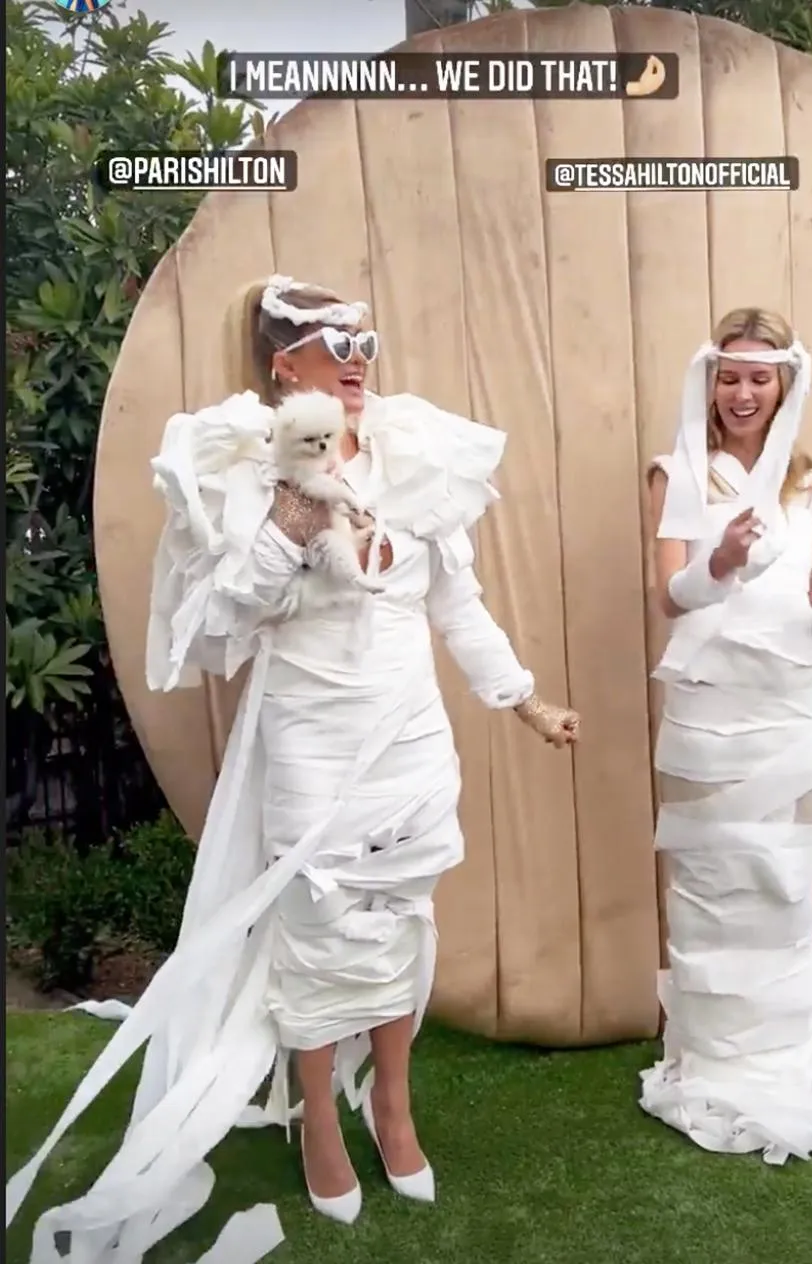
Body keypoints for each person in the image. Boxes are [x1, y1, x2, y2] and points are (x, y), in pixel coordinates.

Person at [7, 276, 579, 1263]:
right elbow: (220, 629)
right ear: (285, 365)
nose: (357, 363)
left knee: (401, 914)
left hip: (408, 733)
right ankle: (318, 1114)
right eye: (336, 346)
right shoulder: (239, 466)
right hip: (310, 735)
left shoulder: (414, 452)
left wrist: (523, 698)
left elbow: (457, 604)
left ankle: (393, 1105)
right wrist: (286, 529)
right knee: (317, 928)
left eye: (366, 343)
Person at [641, 306, 812, 1163]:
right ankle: (717, 1058)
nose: (743, 393)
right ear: (709, 382)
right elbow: (671, 599)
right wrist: (723, 561)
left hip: (789, 709)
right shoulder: (678, 472)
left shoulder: (811, 486)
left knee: (782, 884)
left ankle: (773, 1049)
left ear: (785, 386)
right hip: (711, 711)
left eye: (759, 378)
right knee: (714, 882)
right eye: (730, 376)